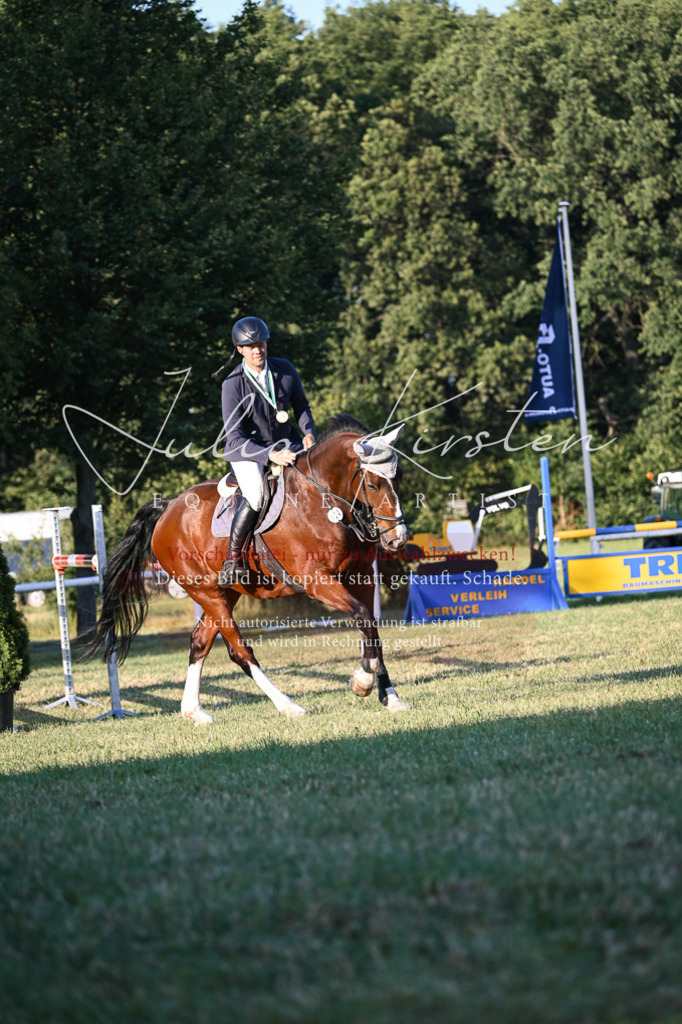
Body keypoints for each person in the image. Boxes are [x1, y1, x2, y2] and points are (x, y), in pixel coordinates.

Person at [219, 316, 316, 586]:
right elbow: (234, 437)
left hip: (289, 443)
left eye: (261, 344)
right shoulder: (233, 384)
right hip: (248, 451)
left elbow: (302, 407)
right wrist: (270, 456)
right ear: (240, 349)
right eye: (250, 346)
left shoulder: (284, 370)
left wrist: (309, 433)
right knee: (256, 495)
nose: (257, 350)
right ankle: (233, 559)